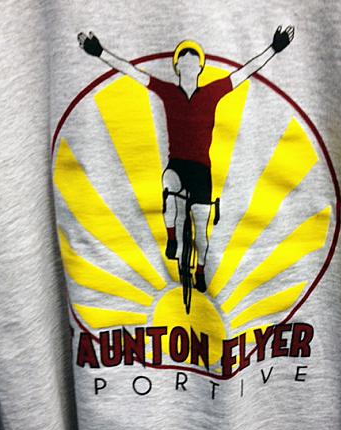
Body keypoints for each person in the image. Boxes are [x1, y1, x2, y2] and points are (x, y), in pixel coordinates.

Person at [77, 26, 294, 292]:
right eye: (184, 58)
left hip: (202, 171)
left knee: (201, 234)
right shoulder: (167, 92)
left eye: (194, 59)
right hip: (177, 165)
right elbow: (132, 72)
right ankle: (171, 238)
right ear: (177, 66)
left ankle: (200, 271)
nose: (189, 61)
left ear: (200, 68)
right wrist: (100, 52)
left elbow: (244, 72)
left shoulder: (212, 92)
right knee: (169, 186)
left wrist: (273, 49)